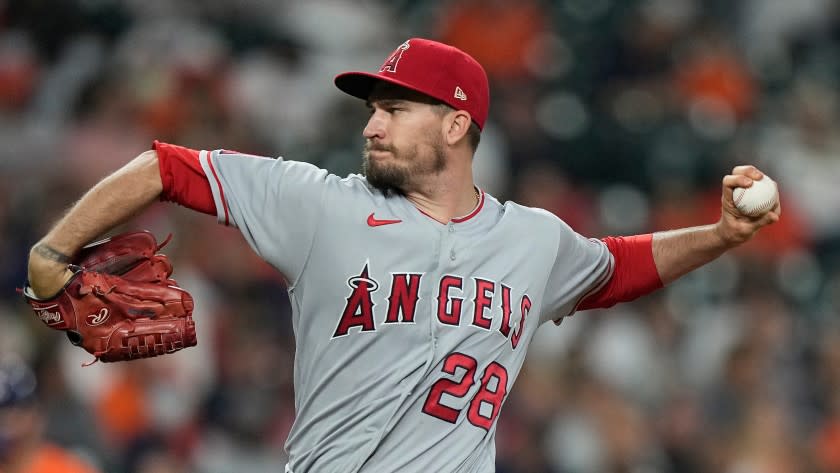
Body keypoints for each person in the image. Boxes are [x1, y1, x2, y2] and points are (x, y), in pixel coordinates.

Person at [25, 38, 780, 472]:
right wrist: (55, 248)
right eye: (371, 110)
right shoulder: (321, 203)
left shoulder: (533, 239)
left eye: (393, 108)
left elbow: (616, 269)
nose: (372, 125)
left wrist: (718, 236)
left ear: (456, 125)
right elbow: (166, 167)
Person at [0, 355, 99, 473]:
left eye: (18, 412)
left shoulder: (69, 468)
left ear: (38, 415)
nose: (8, 424)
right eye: (3, 414)